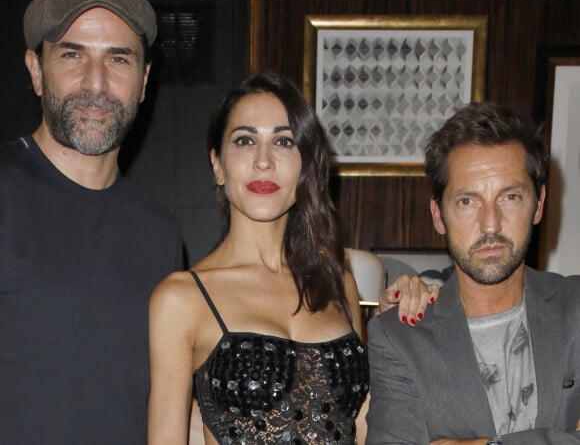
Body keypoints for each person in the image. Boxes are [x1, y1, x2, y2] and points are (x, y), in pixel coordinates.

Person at [148, 73, 435, 445]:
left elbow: (361, 426)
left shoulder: (337, 280)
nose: (264, 161)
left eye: (283, 141)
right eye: (245, 140)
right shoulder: (180, 298)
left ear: (305, 165)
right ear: (217, 165)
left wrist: (397, 331)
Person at [0, 0, 184, 445]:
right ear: (35, 70)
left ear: (144, 81)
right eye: (72, 55)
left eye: (118, 59)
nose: (96, 83)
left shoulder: (160, 234)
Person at [366, 102, 580, 445]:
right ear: (438, 215)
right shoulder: (399, 337)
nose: (490, 223)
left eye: (510, 197)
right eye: (468, 201)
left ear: (538, 204)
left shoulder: (575, 309)